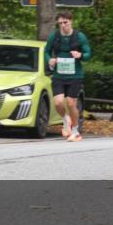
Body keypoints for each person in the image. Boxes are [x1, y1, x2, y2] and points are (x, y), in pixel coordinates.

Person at [45, 11, 92, 142]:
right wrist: (50, 60)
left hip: (75, 75)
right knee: (58, 102)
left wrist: (80, 55)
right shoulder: (54, 36)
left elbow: (88, 53)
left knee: (71, 103)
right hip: (59, 75)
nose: (63, 25)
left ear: (71, 21)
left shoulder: (80, 37)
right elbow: (46, 51)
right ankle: (66, 120)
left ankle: (76, 131)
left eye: (65, 22)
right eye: (60, 23)